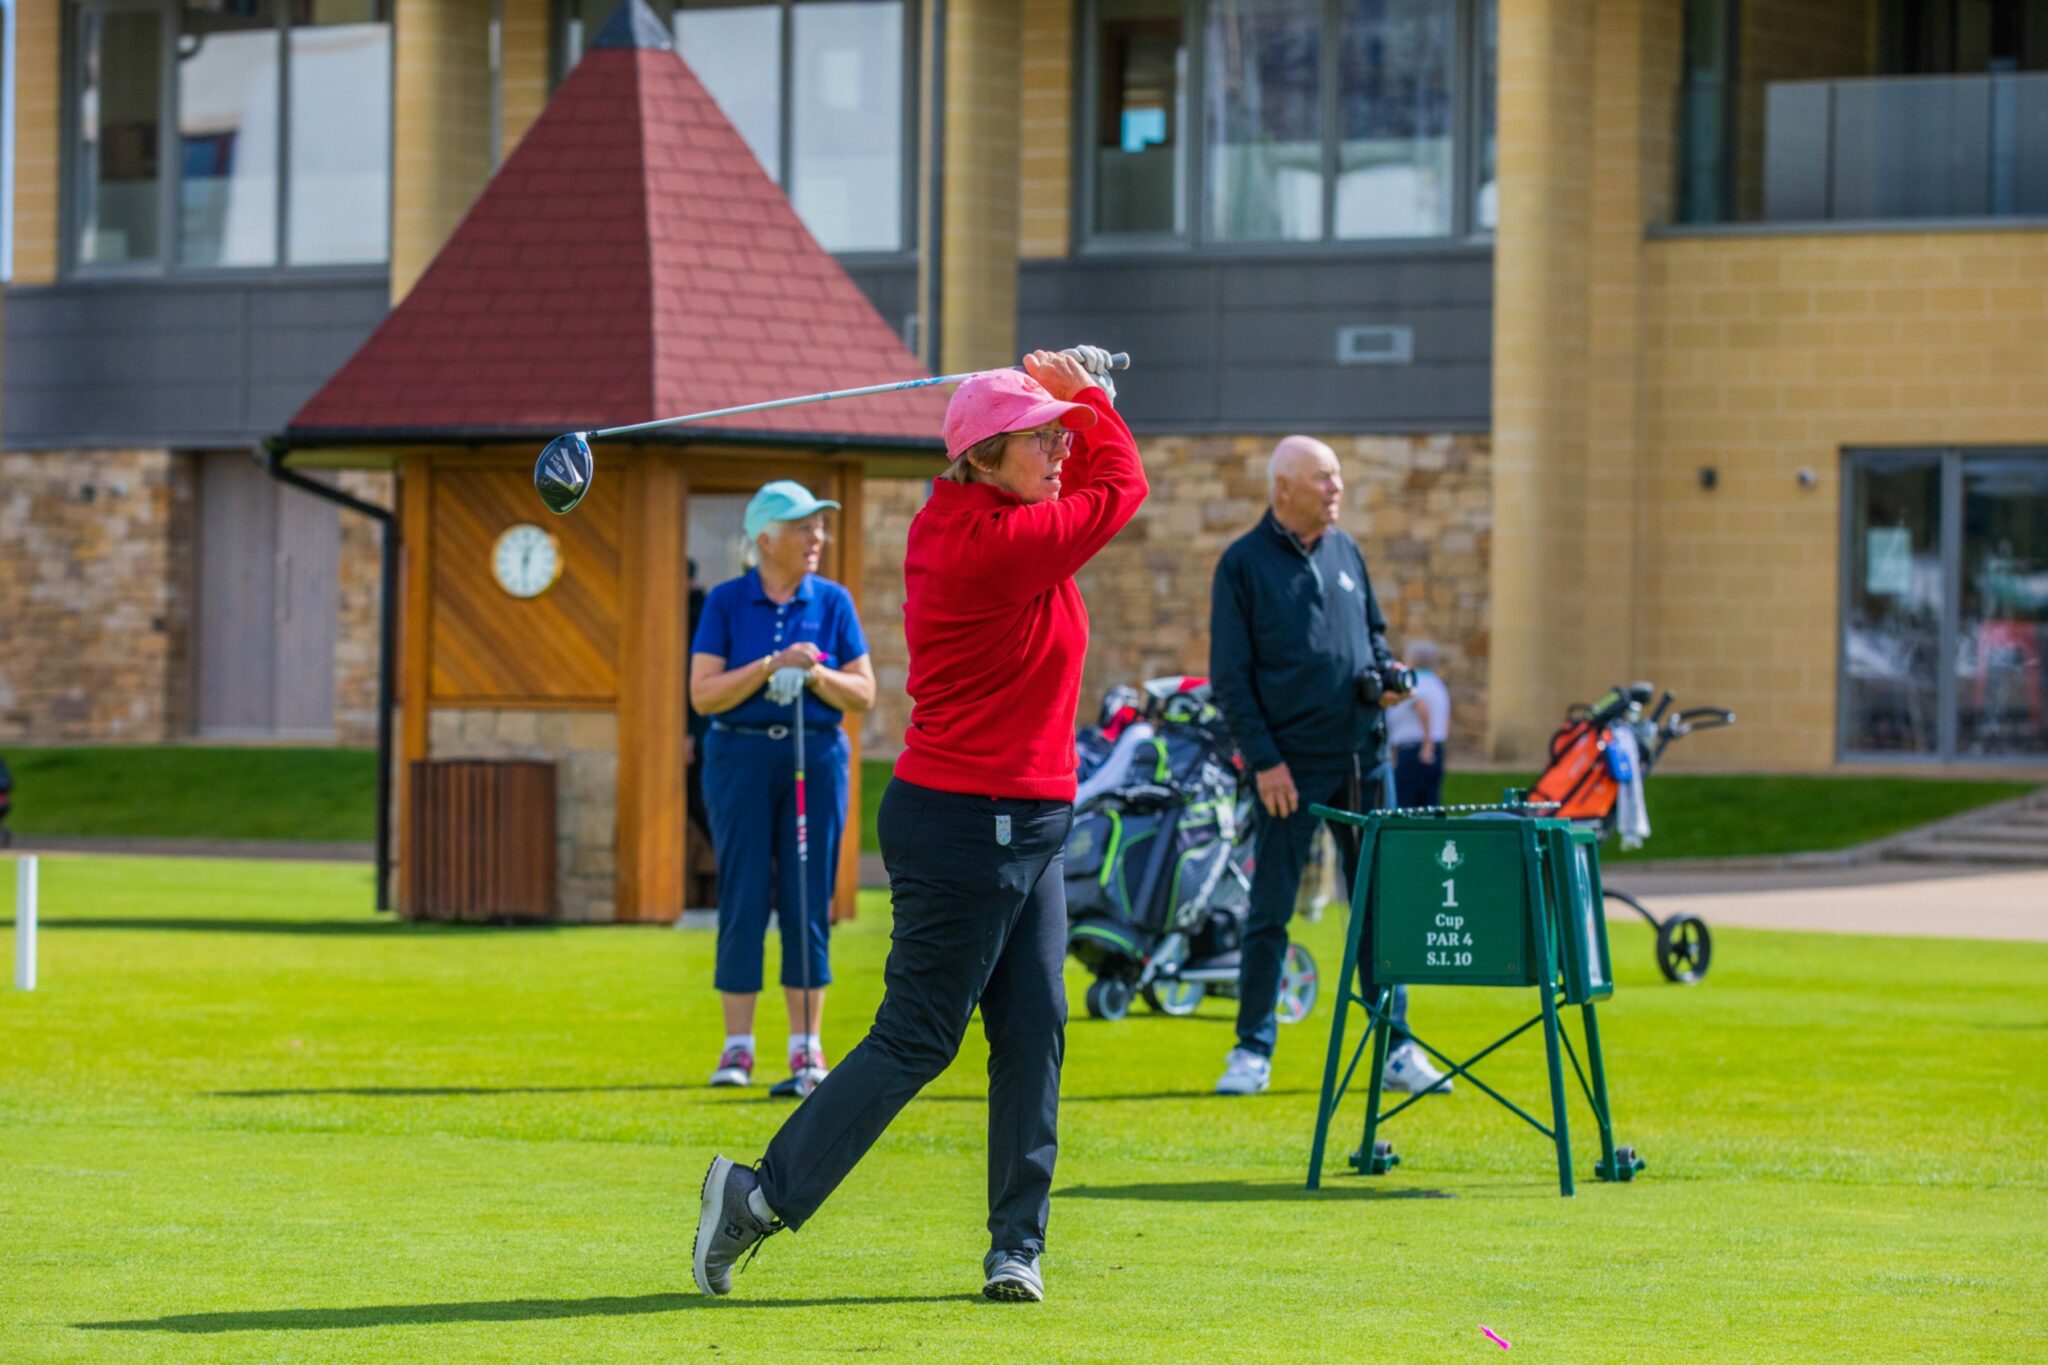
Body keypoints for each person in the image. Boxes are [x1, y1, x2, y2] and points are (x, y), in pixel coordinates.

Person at [692, 346, 1144, 1305]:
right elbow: (1124, 483)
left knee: (1037, 1024)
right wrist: (1090, 395)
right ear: (982, 458)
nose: (1060, 450)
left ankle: (1016, 1243)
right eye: (1039, 440)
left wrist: (1062, 401)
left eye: (1059, 436)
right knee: (920, 1034)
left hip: (1035, 818)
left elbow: (1094, 479)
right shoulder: (987, 543)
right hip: (965, 821)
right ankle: (755, 1195)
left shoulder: (1003, 515)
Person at [1208, 436, 1449, 1099]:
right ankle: (1252, 1047)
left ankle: (1395, 1043)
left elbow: (1372, 635)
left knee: (1380, 907)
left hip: (1363, 761)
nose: (1336, 489)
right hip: (1288, 771)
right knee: (1270, 912)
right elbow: (1230, 678)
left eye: (1337, 477)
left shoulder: (1347, 552)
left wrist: (1388, 674)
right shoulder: (1243, 565)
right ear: (1283, 488)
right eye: (1324, 479)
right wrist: (1266, 763)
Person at [688, 483, 876, 1094]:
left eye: (819, 527)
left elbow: (864, 692)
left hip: (814, 756)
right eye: (802, 527)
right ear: (765, 537)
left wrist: (814, 672)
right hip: (738, 755)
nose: (816, 538)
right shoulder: (725, 602)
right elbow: (704, 693)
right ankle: (736, 1049)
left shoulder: (834, 601)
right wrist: (770, 667)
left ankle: (805, 1050)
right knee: (742, 893)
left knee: (806, 894)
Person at [1388, 639, 1450, 810]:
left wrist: (1427, 746)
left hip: (1416, 751)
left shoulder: (1415, 682)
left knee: (1406, 806)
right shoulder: (1437, 685)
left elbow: (1422, 708)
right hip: (1434, 749)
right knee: (1429, 807)